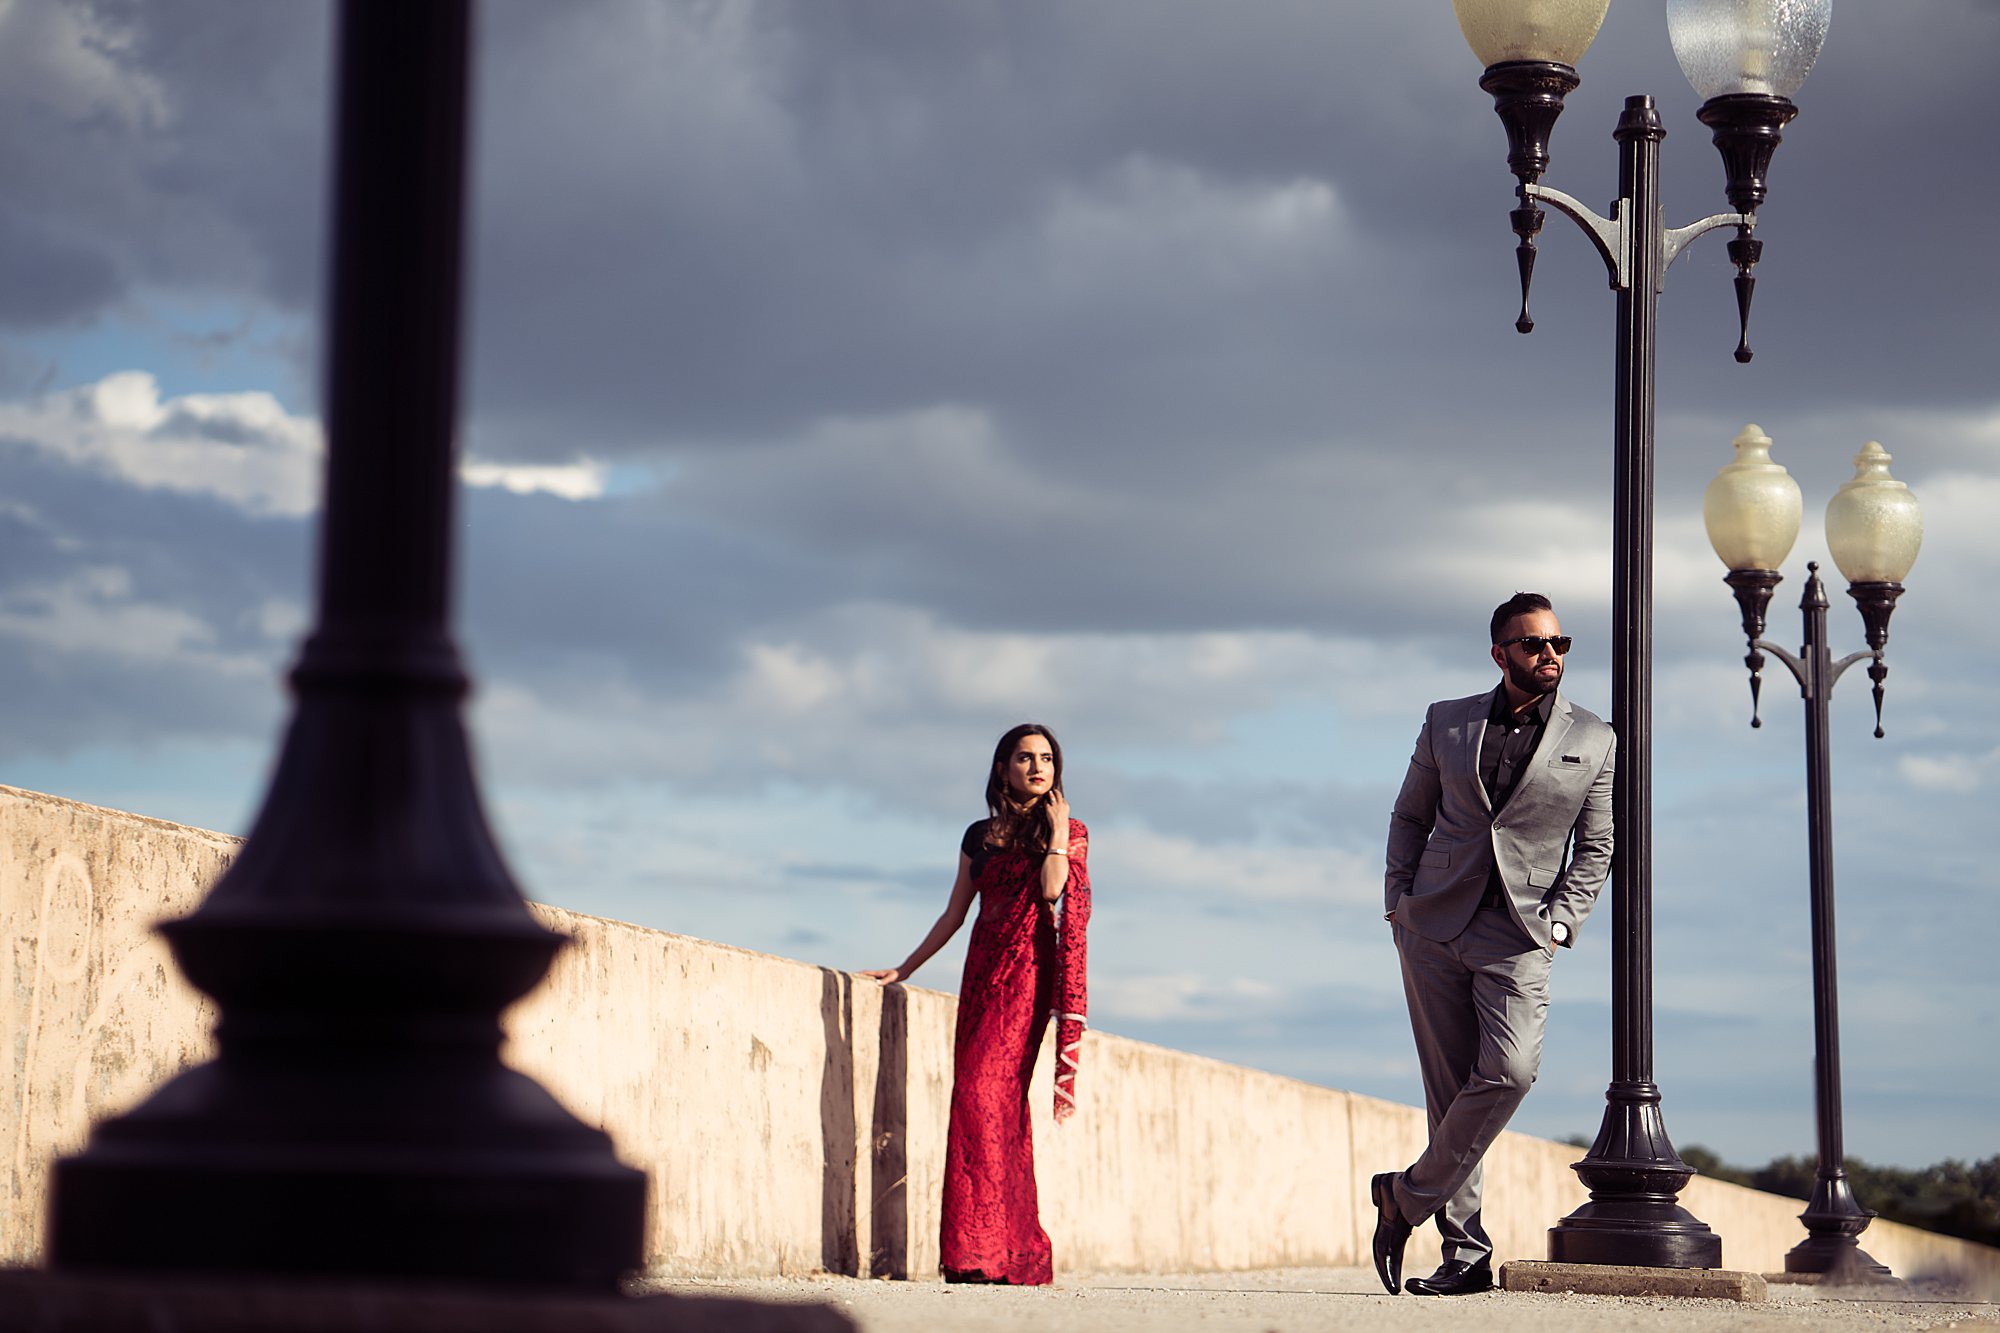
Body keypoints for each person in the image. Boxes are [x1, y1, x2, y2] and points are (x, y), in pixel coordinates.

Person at [1371, 592, 1615, 1297]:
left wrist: (1564, 919)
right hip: (1432, 924)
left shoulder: (1595, 738)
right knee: (1449, 1094)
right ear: (1500, 652)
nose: (1551, 654)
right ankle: (1465, 1255)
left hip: (1521, 931)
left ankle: (1403, 1196)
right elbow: (1410, 813)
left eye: (1559, 643)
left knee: (1508, 1072)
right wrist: (1397, 900)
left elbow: (1596, 846)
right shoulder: (1447, 721)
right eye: (1536, 643)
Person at [862, 723, 1091, 1286]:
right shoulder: (978, 836)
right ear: (1001, 768)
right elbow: (954, 914)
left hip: (1029, 979)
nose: (1037, 767)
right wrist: (905, 968)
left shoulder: (1071, 830)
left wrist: (1057, 833)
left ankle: (994, 1250)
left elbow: (1054, 891)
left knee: (985, 1094)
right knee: (983, 1103)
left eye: (1046, 759)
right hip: (981, 976)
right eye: (1024, 757)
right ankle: (984, 1253)